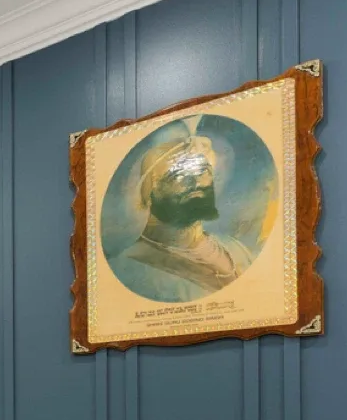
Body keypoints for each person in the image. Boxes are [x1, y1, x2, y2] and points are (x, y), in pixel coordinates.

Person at [107, 130, 254, 304]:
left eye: (203, 172)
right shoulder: (126, 267)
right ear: (149, 192)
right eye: (178, 176)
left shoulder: (237, 250)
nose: (197, 183)